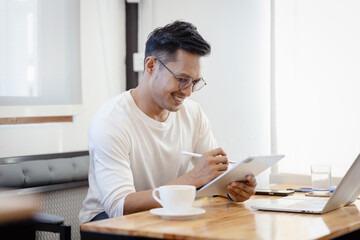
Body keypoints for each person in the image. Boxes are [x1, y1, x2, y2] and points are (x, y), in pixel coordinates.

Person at [79, 20, 257, 223]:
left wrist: (232, 190)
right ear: (151, 66)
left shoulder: (193, 114)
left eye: (195, 82)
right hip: (106, 223)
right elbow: (119, 207)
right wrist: (191, 180)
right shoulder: (110, 121)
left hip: (168, 214)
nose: (188, 92)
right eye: (182, 79)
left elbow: (212, 177)